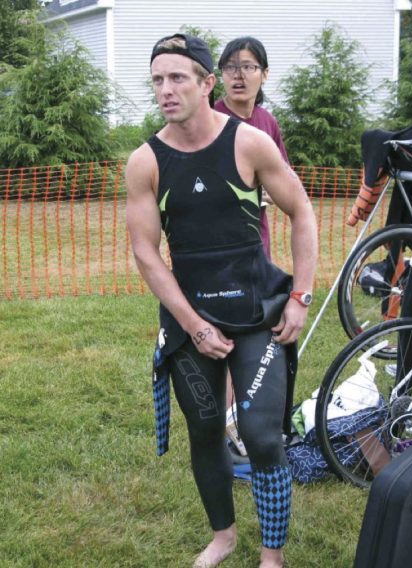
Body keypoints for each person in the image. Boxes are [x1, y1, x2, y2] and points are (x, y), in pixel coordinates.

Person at [125, 33, 318, 568]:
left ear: (207, 84)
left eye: (178, 77)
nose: (166, 89)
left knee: (262, 438)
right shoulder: (146, 161)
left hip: (258, 314)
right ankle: (224, 536)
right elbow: (145, 252)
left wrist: (300, 295)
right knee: (206, 431)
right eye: (158, 79)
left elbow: (302, 211)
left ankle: (272, 556)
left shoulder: (249, 143)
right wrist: (192, 324)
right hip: (193, 319)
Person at [214, 36, 289, 260]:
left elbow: (284, 179)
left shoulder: (268, 122)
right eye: (230, 67)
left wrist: (271, 191)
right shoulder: (209, 120)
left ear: (264, 74)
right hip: (216, 237)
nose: (238, 75)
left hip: (257, 236)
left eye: (248, 67)